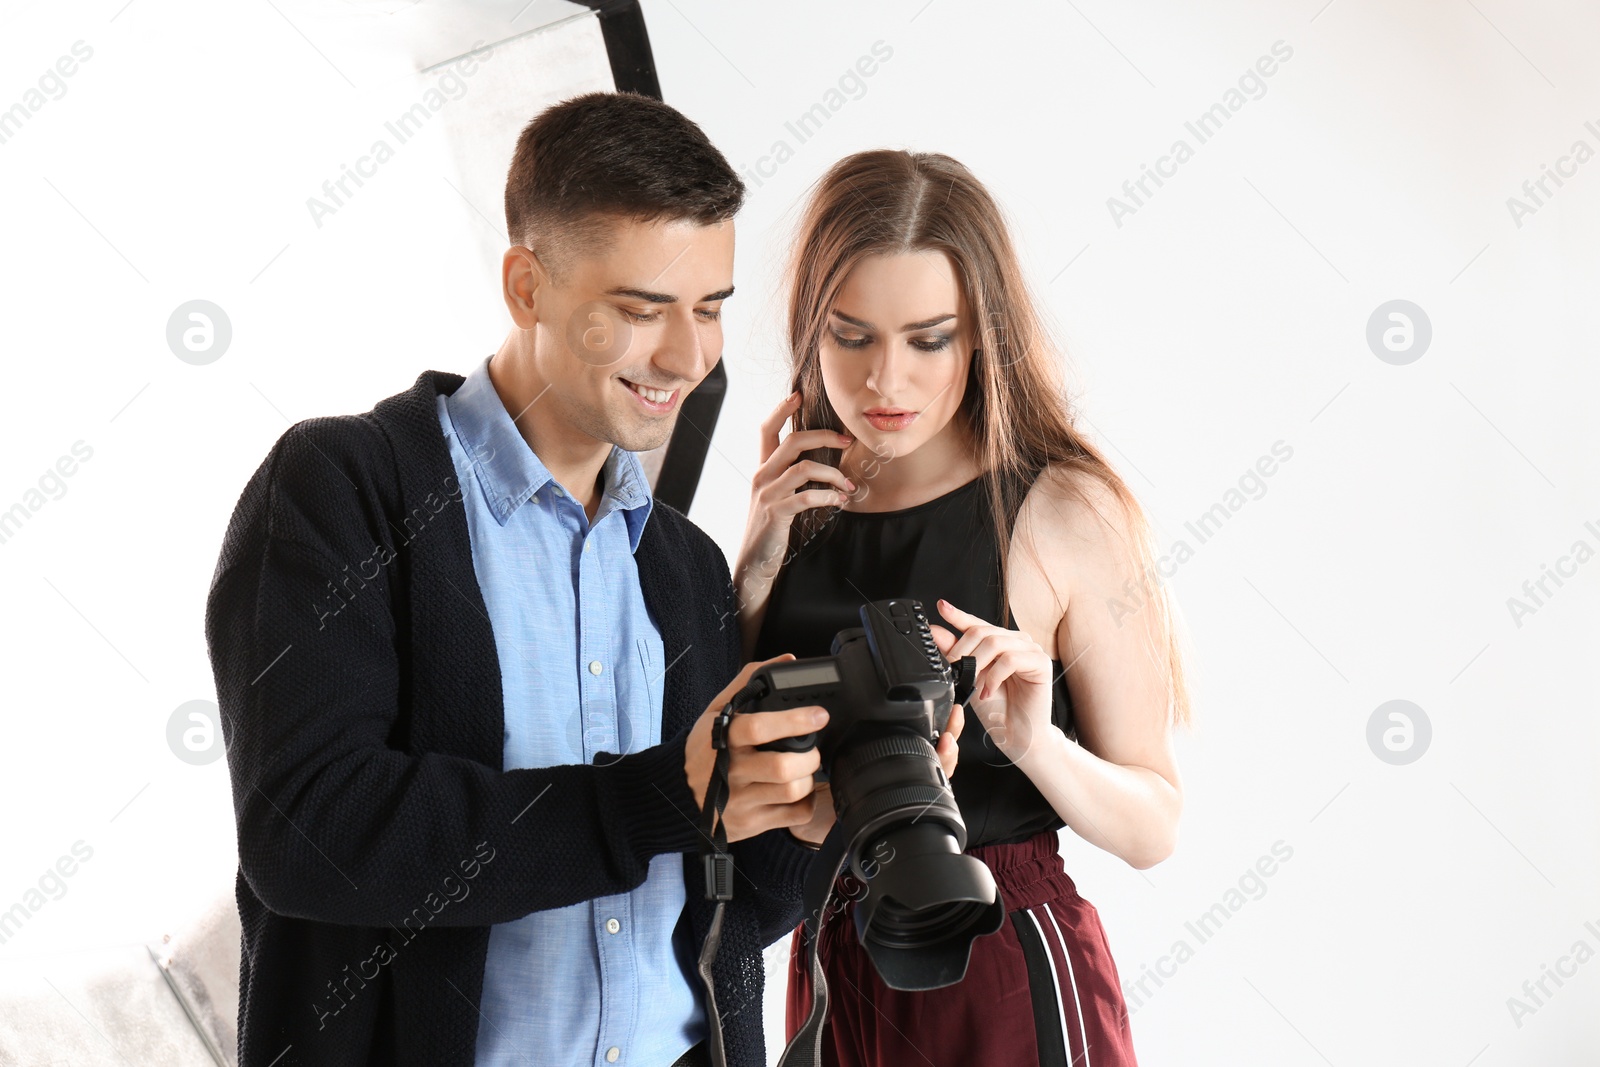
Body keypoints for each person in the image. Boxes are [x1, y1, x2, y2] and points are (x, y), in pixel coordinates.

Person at [205, 92, 837, 1067]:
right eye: (642, 308)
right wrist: (663, 791)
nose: (688, 354)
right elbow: (308, 832)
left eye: (709, 308)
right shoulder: (344, 489)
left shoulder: (684, 565)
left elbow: (726, 919)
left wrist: (811, 813)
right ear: (526, 285)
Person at [733, 149, 1193, 1066]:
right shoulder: (797, 510)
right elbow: (723, 760)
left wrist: (1033, 741)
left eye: (928, 339)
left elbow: (1155, 825)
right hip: (830, 954)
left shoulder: (1061, 507)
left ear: (982, 332)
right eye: (850, 335)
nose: (884, 383)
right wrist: (751, 568)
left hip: (1002, 949)